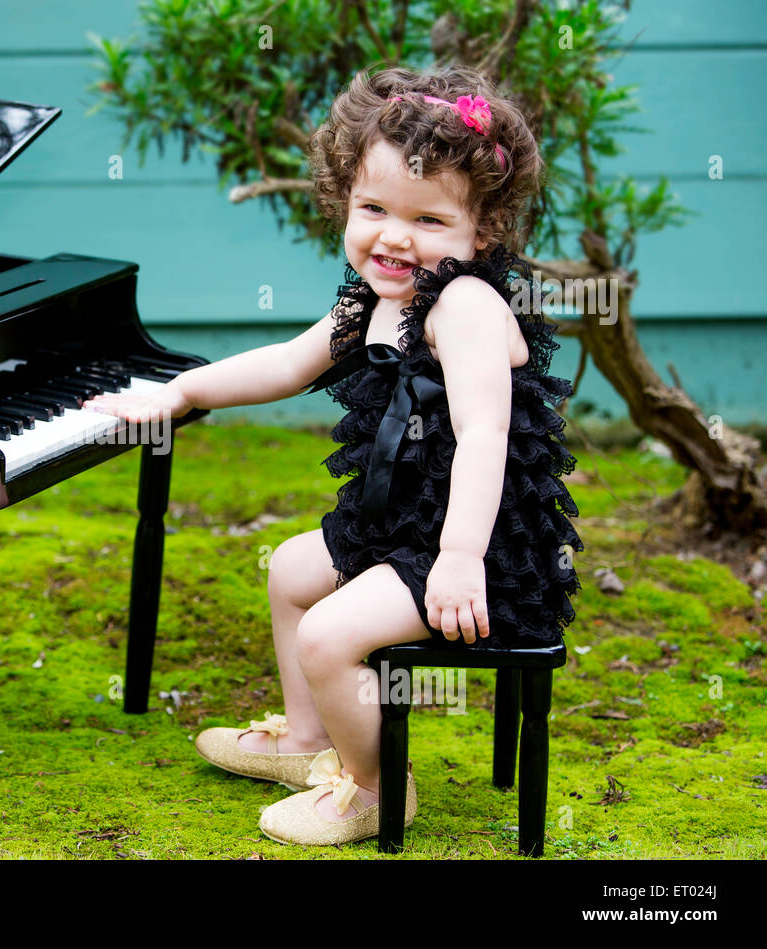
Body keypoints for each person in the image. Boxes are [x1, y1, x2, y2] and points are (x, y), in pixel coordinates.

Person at [83, 63, 584, 846]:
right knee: (289, 570)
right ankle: (309, 738)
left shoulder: (468, 307)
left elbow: (485, 434)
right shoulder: (377, 299)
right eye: (374, 207)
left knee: (329, 635)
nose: (393, 235)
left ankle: (380, 785)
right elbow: (286, 363)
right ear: (345, 198)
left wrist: (457, 557)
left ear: (479, 233)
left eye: (427, 220)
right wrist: (180, 393)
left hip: (470, 549)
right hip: (398, 525)